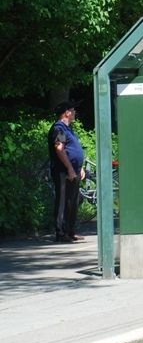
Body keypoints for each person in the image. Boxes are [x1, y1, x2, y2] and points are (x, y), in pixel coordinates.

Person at [49, 100, 85, 243]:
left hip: (74, 170)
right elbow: (59, 149)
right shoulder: (59, 128)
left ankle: (70, 231)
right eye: (73, 110)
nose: (75, 112)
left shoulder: (68, 129)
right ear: (67, 113)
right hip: (63, 171)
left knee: (73, 201)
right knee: (63, 201)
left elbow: (73, 149)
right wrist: (70, 168)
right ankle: (61, 232)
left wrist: (79, 168)